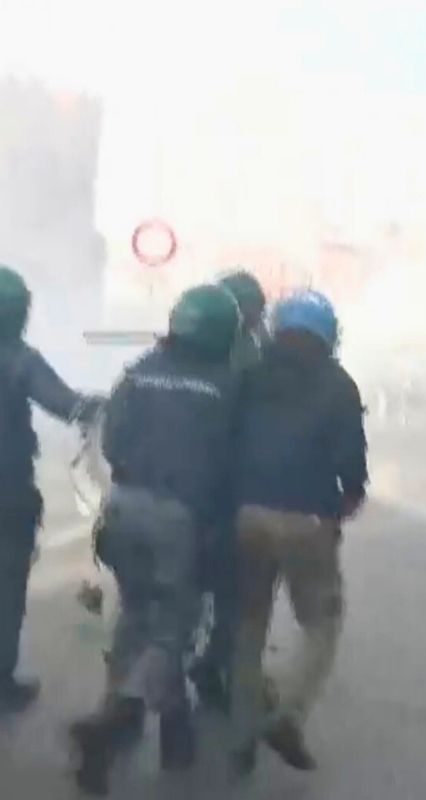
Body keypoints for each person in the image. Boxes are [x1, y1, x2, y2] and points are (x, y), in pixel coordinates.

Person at [69, 284, 241, 796]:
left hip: (122, 508)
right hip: (179, 518)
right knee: (172, 630)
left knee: (134, 618)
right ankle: (118, 715)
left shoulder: (141, 370)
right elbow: (230, 464)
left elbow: (113, 438)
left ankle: (158, 728)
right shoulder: (225, 386)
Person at [228, 289, 367, 777]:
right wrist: (345, 504)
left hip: (244, 513)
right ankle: (287, 714)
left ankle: (240, 735)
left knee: (246, 627)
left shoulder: (249, 374)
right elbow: (352, 465)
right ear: (328, 335)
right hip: (308, 519)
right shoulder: (339, 384)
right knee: (321, 626)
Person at [0, 265, 101, 713]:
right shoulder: (20, 359)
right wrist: (108, 403)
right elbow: (66, 404)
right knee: (6, 584)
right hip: (7, 491)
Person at [189, 268, 269, 712]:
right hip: (232, 490)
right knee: (232, 595)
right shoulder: (252, 357)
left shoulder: (191, 348)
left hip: (190, 487)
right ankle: (211, 664)